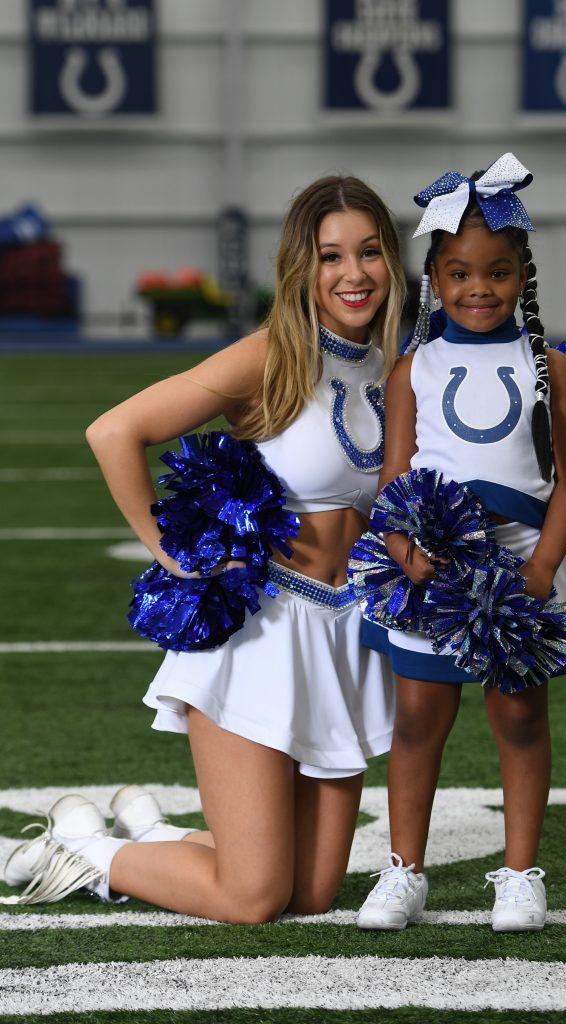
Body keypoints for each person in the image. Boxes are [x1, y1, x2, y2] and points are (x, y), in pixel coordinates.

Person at [2, 175, 405, 922]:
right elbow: (114, 431)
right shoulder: (269, 358)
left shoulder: (391, 365)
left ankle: (151, 835)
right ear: (299, 267)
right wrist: (171, 554)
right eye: (330, 256)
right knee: (253, 897)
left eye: (370, 252)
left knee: (311, 896)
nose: (353, 274)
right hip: (260, 634)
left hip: (343, 635)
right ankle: (78, 853)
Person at [356, 154, 566, 934]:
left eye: (497, 273)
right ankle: (404, 872)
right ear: (434, 277)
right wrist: (403, 550)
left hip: (521, 572)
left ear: (522, 276)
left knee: (521, 718)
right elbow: (395, 481)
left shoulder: (550, 368)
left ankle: (520, 874)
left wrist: (538, 567)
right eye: (459, 273)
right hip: (431, 573)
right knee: (419, 719)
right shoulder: (410, 369)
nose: (478, 289)